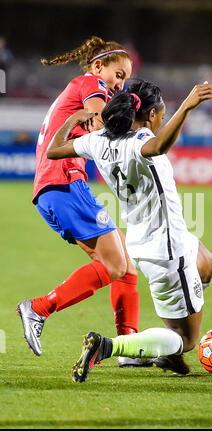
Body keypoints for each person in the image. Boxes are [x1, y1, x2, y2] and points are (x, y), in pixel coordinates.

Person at [46, 80, 212, 382]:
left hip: (143, 243)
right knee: (186, 340)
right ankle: (110, 347)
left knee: (206, 261)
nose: (164, 116)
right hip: (167, 252)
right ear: (151, 114)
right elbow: (158, 146)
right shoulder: (141, 142)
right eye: (163, 112)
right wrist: (188, 106)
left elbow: (53, 150)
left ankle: (175, 328)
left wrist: (72, 120)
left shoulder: (99, 139)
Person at [17, 36, 152, 368]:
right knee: (116, 265)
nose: (120, 84)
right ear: (98, 66)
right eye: (118, 75)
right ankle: (38, 308)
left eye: (124, 79)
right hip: (64, 182)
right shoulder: (90, 84)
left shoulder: (81, 87)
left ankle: (127, 347)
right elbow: (95, 115)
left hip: (56, 187)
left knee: (124, 266)